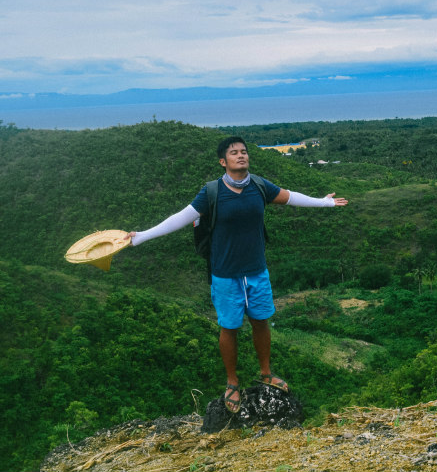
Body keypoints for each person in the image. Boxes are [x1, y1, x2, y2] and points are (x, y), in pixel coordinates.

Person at [127, 136, 348, 413]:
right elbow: (178, 219)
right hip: (226, 274)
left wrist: (324, 203)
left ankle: (266, 372)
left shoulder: (258, 185)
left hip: (257, 271)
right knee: (229, 328)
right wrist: (140, 237)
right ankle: (232, 383)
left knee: (261, 322)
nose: (241, 156)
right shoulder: (211, 192)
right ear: (223, 161)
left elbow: (290, 197)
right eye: (234, 153)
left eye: (244, 152)